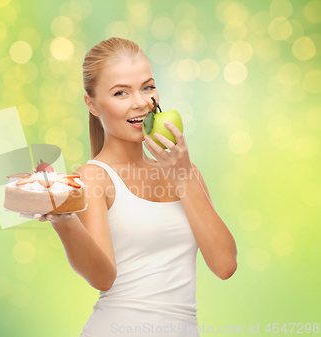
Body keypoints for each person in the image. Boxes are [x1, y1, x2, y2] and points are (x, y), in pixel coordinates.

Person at [21, 37, 237, 337]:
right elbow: (103, 277)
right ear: (92, 104)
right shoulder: (94, 177)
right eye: (121, 92)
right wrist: (64, 220)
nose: (140, 102)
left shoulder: (186, 171)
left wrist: (184, 175)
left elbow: (225, 265)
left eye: (147, 87)